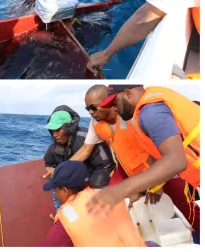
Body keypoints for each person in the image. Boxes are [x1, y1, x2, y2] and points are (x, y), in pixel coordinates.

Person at [71, 84, 200, 234]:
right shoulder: (142, 111)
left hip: (169, 171)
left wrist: (125, 189)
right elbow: (155, 150)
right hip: (145, 170)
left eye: (115, 103)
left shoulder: (149, 112)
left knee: (187, 209)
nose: (115, 109)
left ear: (127, 94)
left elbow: (175, 160)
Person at [39, 160, 147, 247]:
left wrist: (60, 224)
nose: (55, 194)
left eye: (55, 190)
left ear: (65, 191)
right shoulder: (110, 194)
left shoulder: (66, 219)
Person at [43, 105, 115, 189]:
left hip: (93, 182)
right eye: (52, 131)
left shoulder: (87, 138)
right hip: (74, 186)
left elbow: (106, 165)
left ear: (69, 127)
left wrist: (92, 190)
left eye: (58, 130)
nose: (55, 135)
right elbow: (47, 164)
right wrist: (49, 170)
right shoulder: (54, 148)